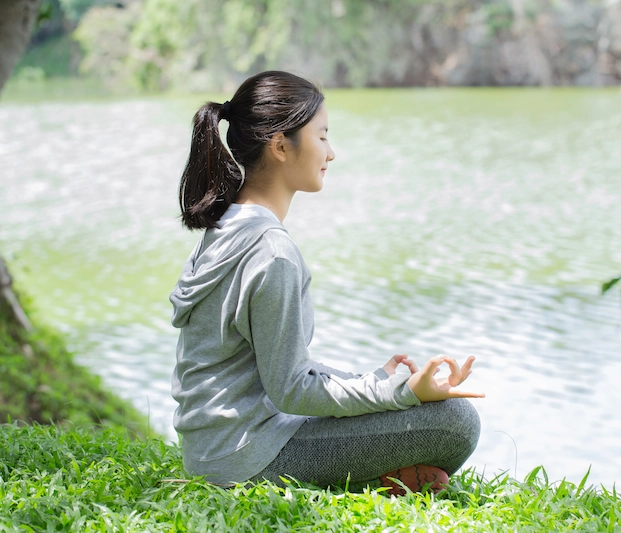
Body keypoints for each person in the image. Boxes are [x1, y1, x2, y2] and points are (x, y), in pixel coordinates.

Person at [170, 71, 483, 495]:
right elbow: (293, 390)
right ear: (280, 145)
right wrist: (402, 391)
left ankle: (383, 480)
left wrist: (376, 381)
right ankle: (374, 483)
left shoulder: (226, 226)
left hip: (210, 451)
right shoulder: (272, 252)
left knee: (412, 411)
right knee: (456, 424)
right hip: (246, 459)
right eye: (322, 137)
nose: (331, 153)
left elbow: (282, 374)